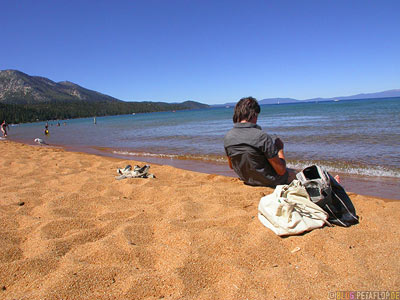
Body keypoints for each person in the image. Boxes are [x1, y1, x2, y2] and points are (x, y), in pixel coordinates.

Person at [224, 97, 295, 187]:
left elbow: (231, 166)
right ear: (254, 114)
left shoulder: (228, 136)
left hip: (247, 179)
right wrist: (280, 149)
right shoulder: (261, 137)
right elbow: (281, 171)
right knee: (295, 174)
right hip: (269, 181)